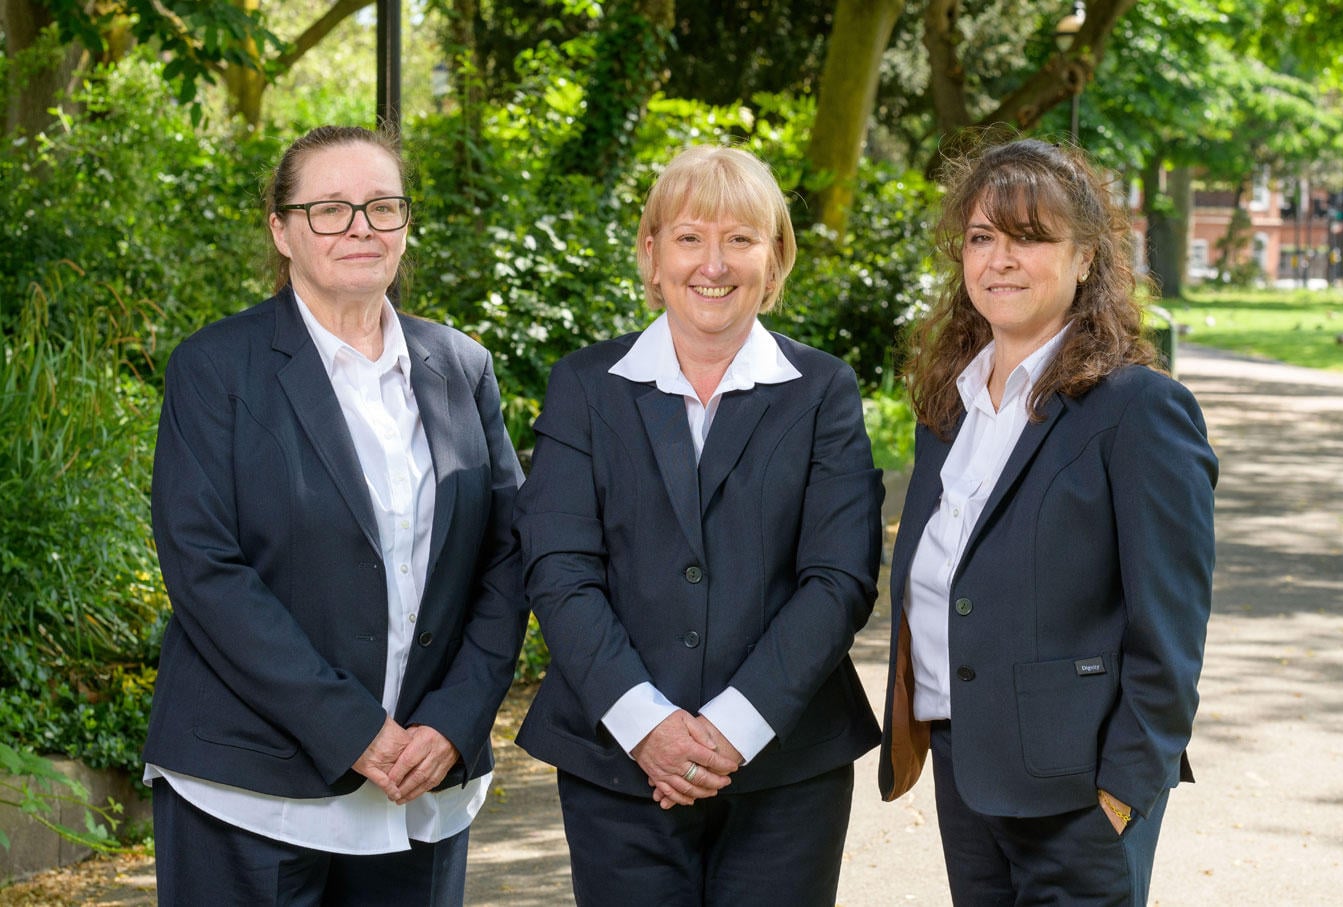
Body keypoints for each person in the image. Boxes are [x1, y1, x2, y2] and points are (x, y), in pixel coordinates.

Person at [143, 124, 526, 905]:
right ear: (281, 231)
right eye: (329, 209)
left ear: (405, 225)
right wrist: (351, 728)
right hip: (249, 787)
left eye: (383, 206)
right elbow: (205, 567)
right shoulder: (215, 369)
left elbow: (509, 557)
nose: (360, 226)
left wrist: (454, 721)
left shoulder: (461, 367)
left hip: (422, 781)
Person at [513, 145, 884, 905]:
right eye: (689, 237)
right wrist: (646, 724)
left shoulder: (823, 391)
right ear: (653, 255)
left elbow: (839, 578)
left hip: (787, 768)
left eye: (740, 239)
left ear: (774, 260)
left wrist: (735, 728)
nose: (713, 264)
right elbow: (558, 568)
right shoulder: (584, 386)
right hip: (616, 763)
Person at [877, 137, 1217, 905]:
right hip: (967, 767)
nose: (999, 259)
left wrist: (1122, 792)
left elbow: (1170, 632)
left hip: (1080, 795)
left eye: (1028, 237)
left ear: (1086, 257)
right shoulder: (949, 408)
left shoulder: (1139, 409)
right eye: (980, 237)